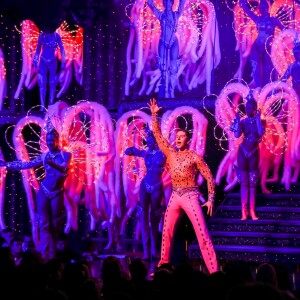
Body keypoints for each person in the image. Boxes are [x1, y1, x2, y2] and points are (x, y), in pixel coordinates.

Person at [147, 98, 219, 274]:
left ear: (188, 139)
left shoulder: (194, 157)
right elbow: (157, 134)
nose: (178, 139)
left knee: (202, 235)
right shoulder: (170, 153)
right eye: (177, 136)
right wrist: (155, 114)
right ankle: (163, 266)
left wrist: (210, 199)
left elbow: (209, 176)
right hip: (175, 195)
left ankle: (214, 272)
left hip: (190, 196)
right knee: (167, 232)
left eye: (182, 137)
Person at [0, 119, 71, 261]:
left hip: (57, 192)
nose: (50, 143)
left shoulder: (66, 155)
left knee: (55, 224)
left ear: (57, 140)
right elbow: (28, 164)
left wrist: (52, 163)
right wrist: (7, 164)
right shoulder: (45, 155)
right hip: (44, 191)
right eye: (48, 140)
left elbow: (64, 169)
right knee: (44, 225)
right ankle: (45, 257)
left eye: (52, 140)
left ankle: (53, 255)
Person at [124, 127, 166, 261]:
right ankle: (146, 250)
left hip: (157, 186)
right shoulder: (146, 153)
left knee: (154, 218)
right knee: (143, 216)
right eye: (146, 140)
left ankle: (154, 249)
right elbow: (132, 151)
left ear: (156, 140)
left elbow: (175, 151)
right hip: (145, 185)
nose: (147, 142)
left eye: (150, 139)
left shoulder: (164, 153)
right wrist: (130, 150)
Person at [230, 90, 265, 220]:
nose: (247, 109)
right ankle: (244, 211)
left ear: (254, 108)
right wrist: (238, 121)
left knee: (252, 183)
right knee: (244, 183)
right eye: (246, 107)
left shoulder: (260, 121)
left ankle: (252, 210)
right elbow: (237, 135)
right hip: (243, 151)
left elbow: (260, 133)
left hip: (254, 152)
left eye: (250, 107)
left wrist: (257, 119)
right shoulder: (243, 122)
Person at [239, 0, 285, 88]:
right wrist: (243, 3)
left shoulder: (274, 20)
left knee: (267, 68)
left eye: (264, 7)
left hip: (268, 46)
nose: (262, 9)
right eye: (261, 8)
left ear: (268, 8)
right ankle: (258, 87)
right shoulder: (258, 19)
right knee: (256, 69)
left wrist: (288, 37)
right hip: (256, 46)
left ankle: (268, 88)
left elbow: (284, 30)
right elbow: (247, 11)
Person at [147, 0, 186, 98]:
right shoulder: (160, 15)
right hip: (163, 41)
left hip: (173, 41)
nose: (167, 4)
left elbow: (182, 4)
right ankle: (164, 93)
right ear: (163, 4)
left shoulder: (176, 15)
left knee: (173, 68)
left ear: (172, 4)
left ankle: (171, 91)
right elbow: (151, 5)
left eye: (169, 2)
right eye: (165, 2)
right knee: (163, 68)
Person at [33, 25, 66, 110]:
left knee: (52, 83)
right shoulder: (41, 36)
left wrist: (63, 61)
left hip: (52, 61)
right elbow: (37, 50)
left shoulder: (56, 36)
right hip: (43, 60)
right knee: (42, 83)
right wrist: (35, 59)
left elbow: (62, 49)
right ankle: (42, 106)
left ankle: (51, 105)